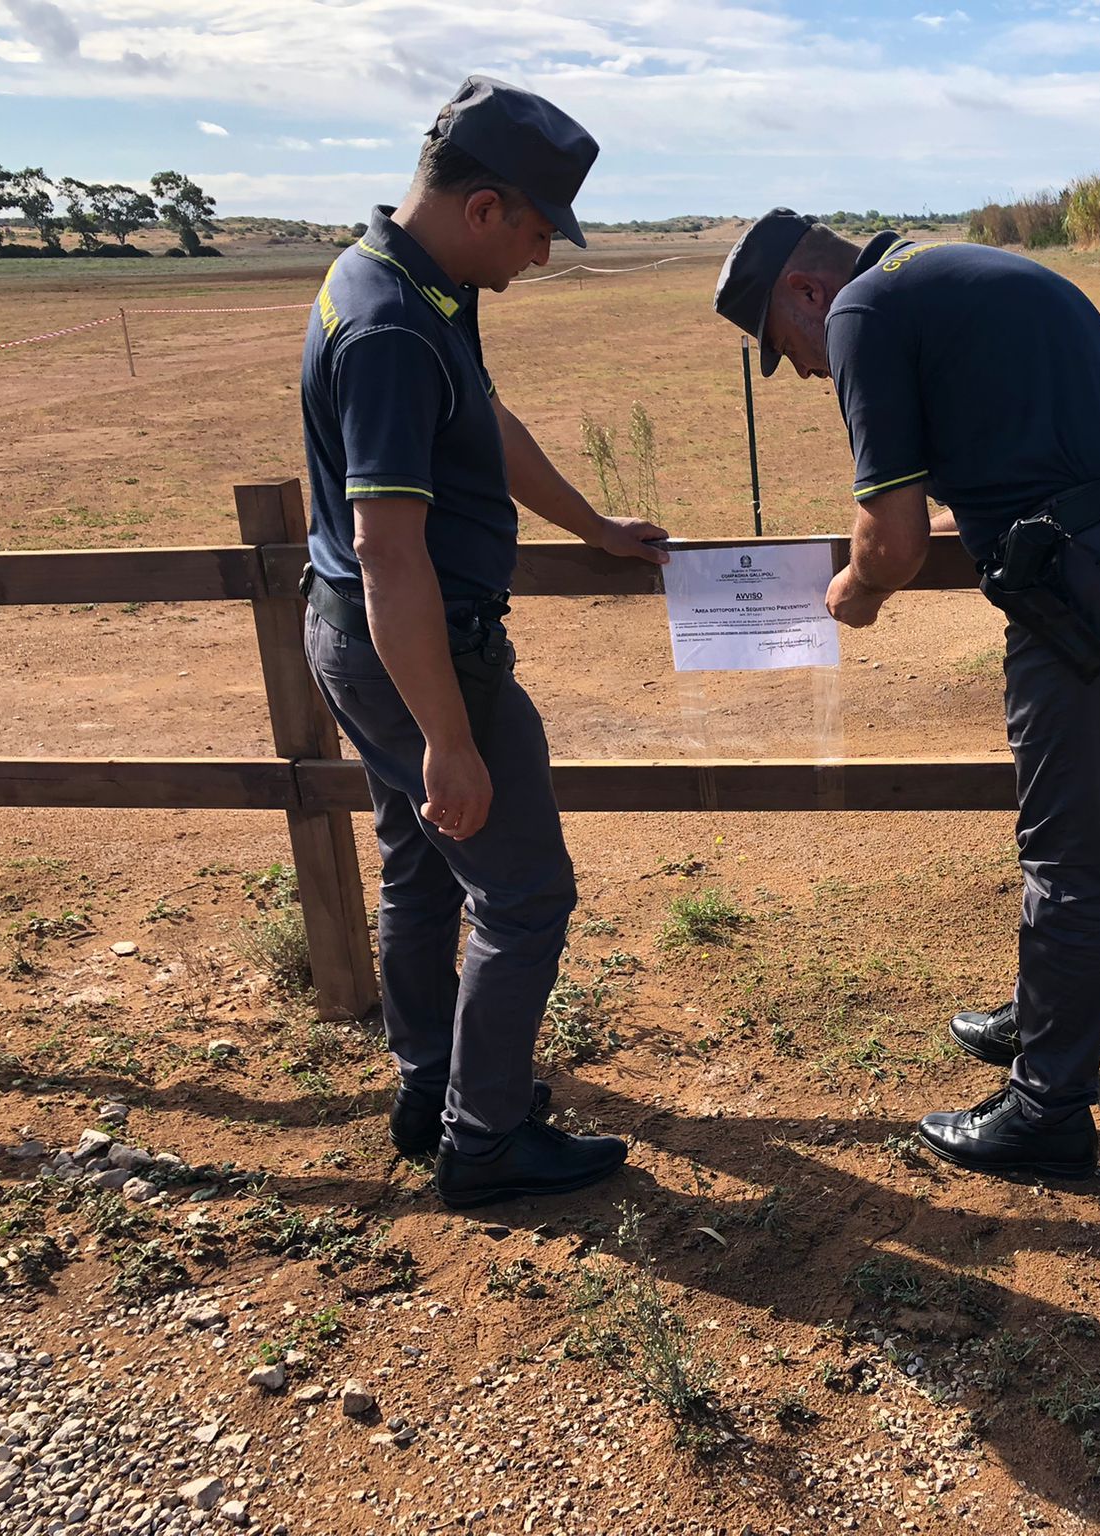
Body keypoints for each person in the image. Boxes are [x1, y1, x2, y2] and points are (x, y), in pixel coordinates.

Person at [713, 211, 1100, 1178]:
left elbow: (893, 538)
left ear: (805, 294)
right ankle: (1046, 1019)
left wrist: (854, 591)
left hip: (1092, 580)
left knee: (1066, 849)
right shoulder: (954, 271)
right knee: (1087, 821)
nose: (814, 374)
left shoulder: (864, 313)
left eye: (792, 350)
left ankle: (1047, 1110)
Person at [298, 76, 667, 1208]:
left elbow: (488, 427)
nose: (545, 257)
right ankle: (486, 1139)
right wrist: (448, 736)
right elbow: (391, 549)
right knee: (522, 895)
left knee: (419, 863)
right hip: (422, 648)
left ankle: (430, 1086)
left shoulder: (402, 283)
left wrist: (593, 525)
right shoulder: (394, 329)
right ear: (485, 207)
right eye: (541, 230)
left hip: (359, 637)